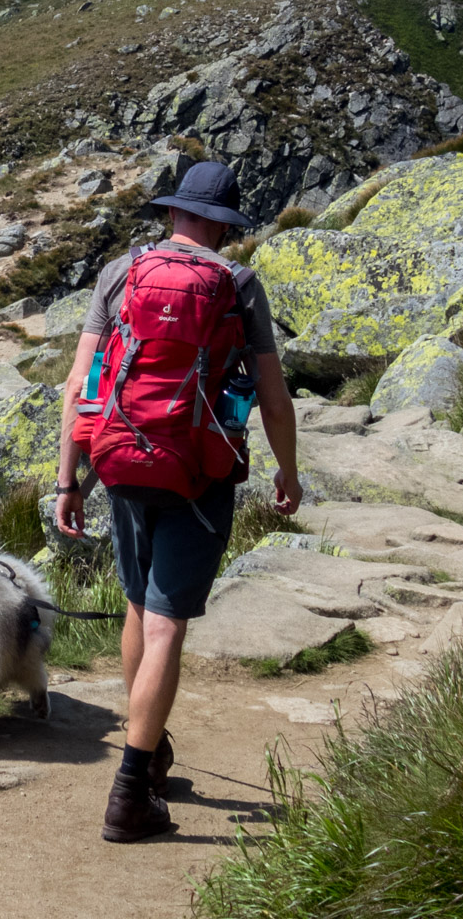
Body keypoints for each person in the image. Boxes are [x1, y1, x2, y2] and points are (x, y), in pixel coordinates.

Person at [53, 161, 303, 844]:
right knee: (166, 624)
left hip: (121, 463)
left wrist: (68, 480)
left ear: (173, 214)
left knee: (139, 608)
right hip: (198, 472)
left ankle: (151, 748)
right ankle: (132, 792)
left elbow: (80, 387)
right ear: (223, 225)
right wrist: (288, 471)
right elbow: (273, 399)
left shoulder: (118, 274)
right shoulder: (238, 284)